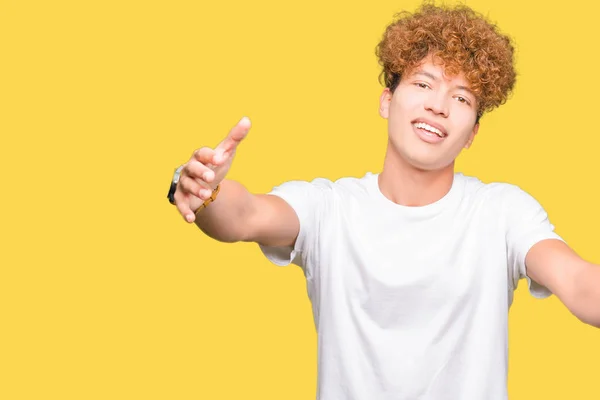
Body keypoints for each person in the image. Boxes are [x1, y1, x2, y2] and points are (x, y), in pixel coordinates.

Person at [166, 2, 600, 399]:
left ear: (472, 134)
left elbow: (579, 283)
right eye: (424, 83)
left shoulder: (502, 212)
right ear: (386, 101)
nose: (438, 106)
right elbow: (244, 216)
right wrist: (206, 189)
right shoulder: (329, 209)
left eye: (462, 97)